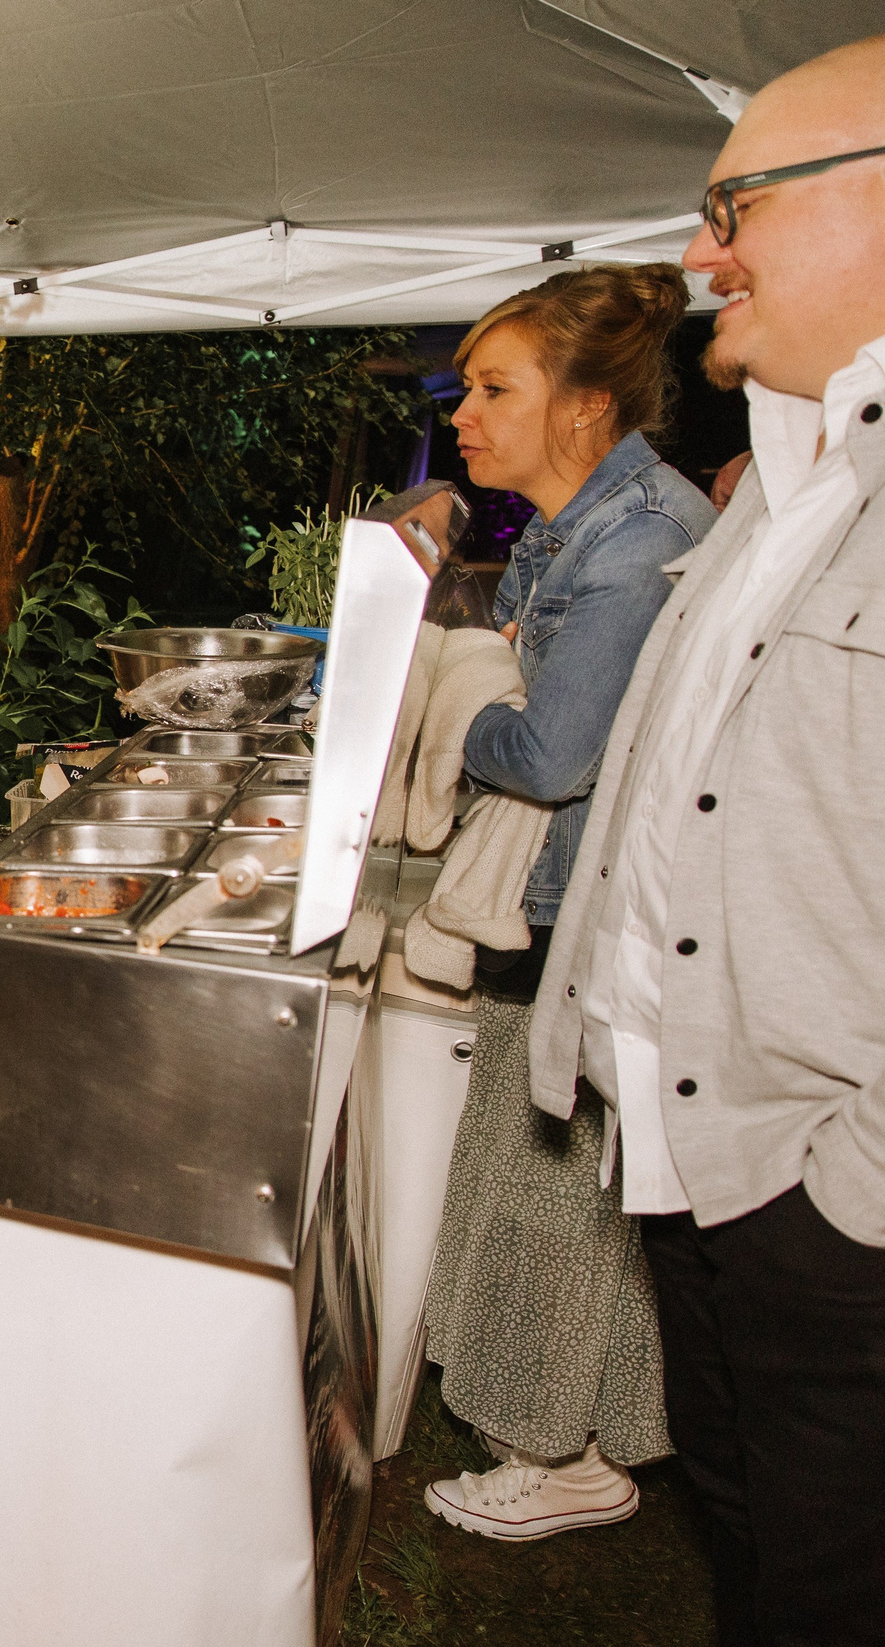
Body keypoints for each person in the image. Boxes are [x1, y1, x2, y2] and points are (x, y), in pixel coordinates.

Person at [527, 34, 885, 1647]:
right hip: (700, 1164)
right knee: (757, 1570)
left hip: (834, 1204)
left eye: (737, 203)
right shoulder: (785, 478)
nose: (701, 251)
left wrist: (846, 1194)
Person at [419, 264, 716, 1540]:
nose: (464, 416)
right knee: (538, 1176)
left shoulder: (638, 535)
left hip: (591, 912)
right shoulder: (569, 521)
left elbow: (551, 758)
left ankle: (561, 1454)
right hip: (563, 899)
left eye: (494, 389)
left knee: (552, 1195)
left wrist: (444, 701)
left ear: (585, 407)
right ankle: (573, 1429)